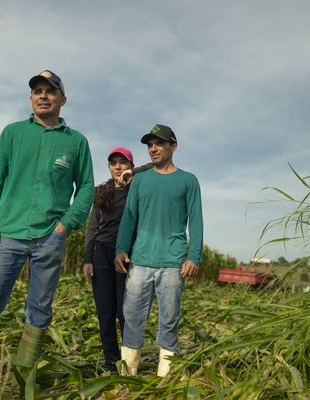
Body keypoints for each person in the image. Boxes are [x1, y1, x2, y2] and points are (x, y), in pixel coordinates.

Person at [0, 70, 94, 382]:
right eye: (37, 91)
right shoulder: (12, 133)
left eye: (50, 91)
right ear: (31, 98)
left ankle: (22, 381)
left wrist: (64, 227)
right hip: (9, 236)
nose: (43, 96)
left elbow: (85, 188)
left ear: (62, 99)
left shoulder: (76, 142)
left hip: (50, 238)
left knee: (40, 310)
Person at [114, 124, 203, 377]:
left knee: (169, 319)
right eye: (150, 145)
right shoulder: (140, 180)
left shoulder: (188, 181)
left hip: (173, 262)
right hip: (140, 260)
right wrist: (121, 248)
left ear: (173, 146)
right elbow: (129, 218)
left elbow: (195, 220)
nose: (153, 148)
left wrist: (193, 256)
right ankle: (128, 375)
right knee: (131, 317)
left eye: (159, 144)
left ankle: (165, 377)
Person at [83, 147, 151, 371]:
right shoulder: (102, 192)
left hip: (127, 256)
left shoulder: (138, 188)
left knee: (125, 311)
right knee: (105, 312)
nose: (118, 167)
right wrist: (87, 259)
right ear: (109, 167)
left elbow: (156, 165)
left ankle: (128, 360)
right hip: (101, 254)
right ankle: (110, 361)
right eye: (114, 163)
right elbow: (93, 228)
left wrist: (133, 173)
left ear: (130, 165)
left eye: (123, 162)